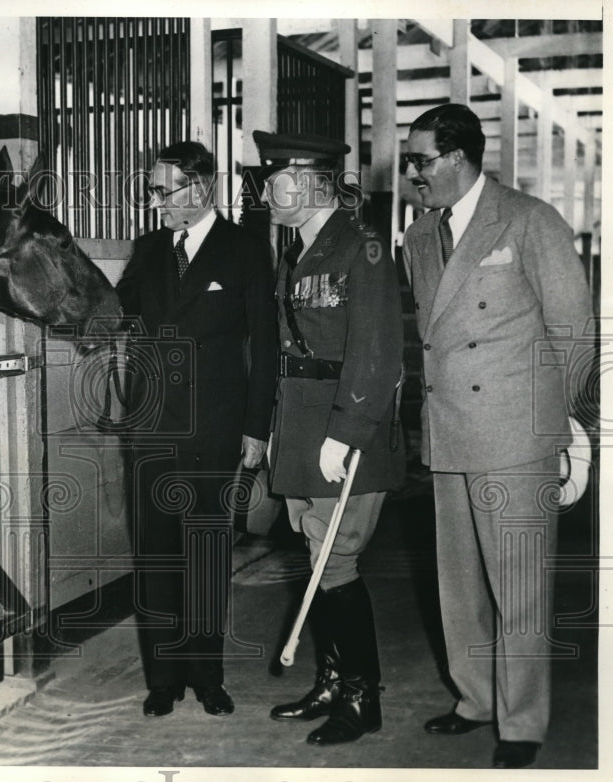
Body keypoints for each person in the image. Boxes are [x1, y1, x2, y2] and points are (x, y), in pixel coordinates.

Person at [401, 103, 595, 769]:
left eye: (420, 160)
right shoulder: (418, 238)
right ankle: (474, 698)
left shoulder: (529, 219)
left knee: (519, 589)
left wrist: (551, 422)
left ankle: (522, 720)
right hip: (449, 431)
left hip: (513, 436)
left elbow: (574, 331)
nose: (410, 173)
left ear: (457, 157)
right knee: (458, 586)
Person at [116, 140, 278, 718]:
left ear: (201, 187)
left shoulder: (244, 250)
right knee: (156, 555)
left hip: (214, 429)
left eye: (164, 191)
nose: (155, 202)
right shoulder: (150, 248)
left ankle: (208, 676)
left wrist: (257, 428)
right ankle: (163, 680)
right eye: (153, 191)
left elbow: (265, 344)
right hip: (151, 429)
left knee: (206, 553)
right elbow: (117, 315)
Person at [254, 130, 405, 745]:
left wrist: (345, 434)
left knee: (336, 562)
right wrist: (276, 431)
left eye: (274, 179)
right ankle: (333, 680)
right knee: (316, 559)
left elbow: (377, 351)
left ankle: (363, 697)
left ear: (313, 183)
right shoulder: (298, 250)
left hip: (345, 429)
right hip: (301, 423)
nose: (264, 192)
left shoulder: (362, 246)